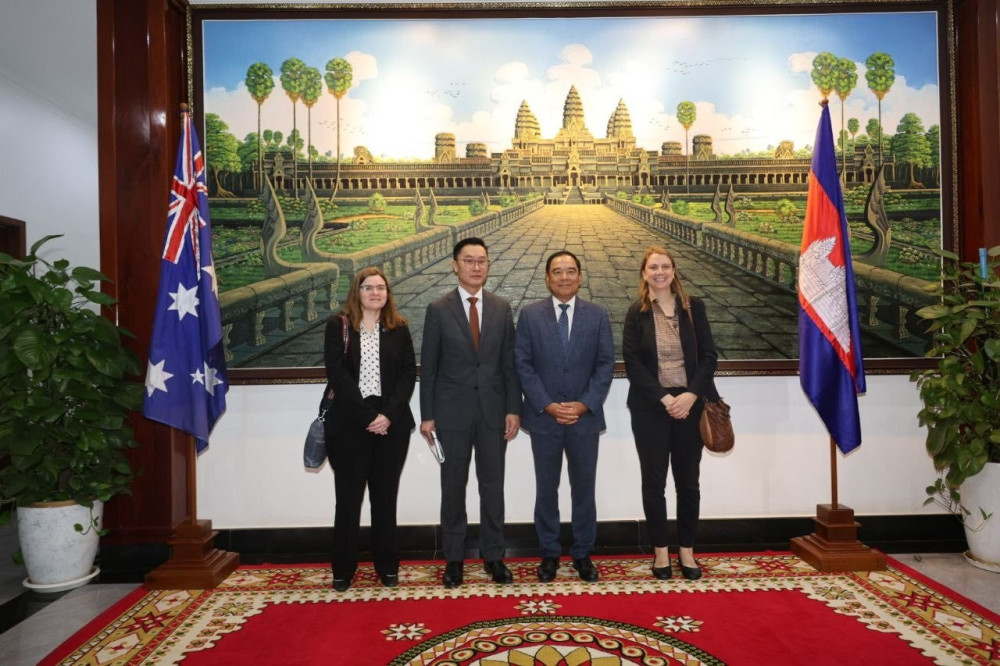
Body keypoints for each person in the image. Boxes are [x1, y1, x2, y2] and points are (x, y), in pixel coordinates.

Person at [420, 237, 521, 588]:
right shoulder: (438, 309)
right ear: (455, 265)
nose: (476, 267)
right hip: (451, 414)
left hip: (494, 413)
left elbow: (509, 364)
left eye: (481, 261)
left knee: (493, 487)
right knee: (453, 487)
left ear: (488, 265)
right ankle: (454, 559)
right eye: (469, 260)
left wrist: (514, 408)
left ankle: (494, 556)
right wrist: (427, 415)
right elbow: (429, 367)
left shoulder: (501, 307)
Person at [515, 250, 614, 583]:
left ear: (580, 277)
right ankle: (549, 554)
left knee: (583, 489)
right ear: (547, 278)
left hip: (585, 420)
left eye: (571, 271)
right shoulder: (530, 315)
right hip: (544, 419)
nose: (564, 277)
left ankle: (583, 553)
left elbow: (605, 364)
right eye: (557, 271)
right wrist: (547, 404)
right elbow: (523, 364)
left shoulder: (597, 315)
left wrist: (584, 404)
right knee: (547, 489)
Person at [622, 246, 719, 581]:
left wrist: (690, 395)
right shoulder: (636, 312)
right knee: (654, 482)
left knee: (688, 482)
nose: (659, 272)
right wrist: (665, 399)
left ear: (674, 271)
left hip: (691, 405)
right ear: (644, 273)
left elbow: (709, 356)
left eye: (665, 266)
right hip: (651, 407)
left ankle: (687, 550)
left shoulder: (694, 308)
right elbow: (633, 363)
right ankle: (661, 551)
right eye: (653, 267)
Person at [325, 267, 416, 592]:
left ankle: (387, 566)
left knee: (385, 499)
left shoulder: (399, 329)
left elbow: (408, 375)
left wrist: (387, 415)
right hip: (349, 424)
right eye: (368, 288)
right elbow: (337, 374)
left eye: (381, 288)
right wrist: (367, 417)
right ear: (357, 292)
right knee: (348, 501)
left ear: (387, 293)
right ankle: (343, 569)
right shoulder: (338, 326)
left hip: (391, 425)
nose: (375, 293)